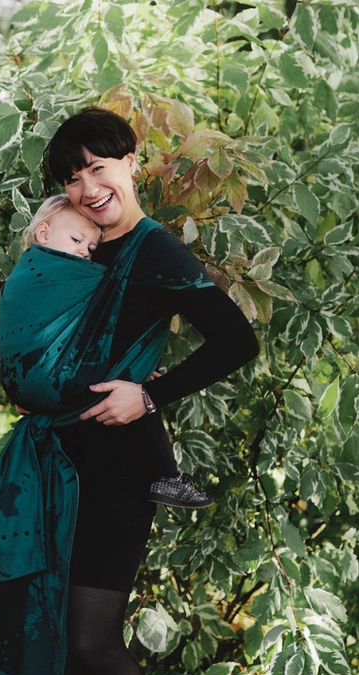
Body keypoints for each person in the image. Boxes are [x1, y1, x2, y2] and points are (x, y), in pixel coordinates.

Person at [0, 107, 259, 675]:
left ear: (132, 163)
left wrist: (149, 394)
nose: (88, 187)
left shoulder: (155, 249)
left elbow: (237, 339)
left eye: (99, 168)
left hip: (121, 467)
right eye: (73, 177)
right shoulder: (71, 241)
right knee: (62, 622)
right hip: (56, 461)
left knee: (92, 637)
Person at [23, 193, 214, 510]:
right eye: (76, 240)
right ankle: (167, 475)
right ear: (43, 234)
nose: (83, 252)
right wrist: (23, 385)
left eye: (90, 248)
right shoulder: (45, 277)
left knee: (136, 391)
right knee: (134, 392)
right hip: (56, 380)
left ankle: (166, 474)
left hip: (71, 384)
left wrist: (132, 364)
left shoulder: (49, 275)